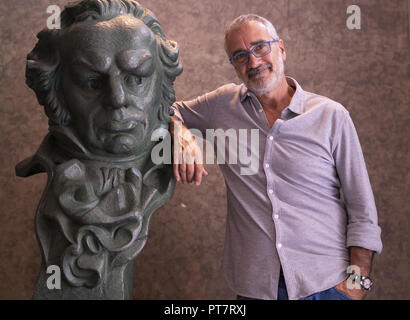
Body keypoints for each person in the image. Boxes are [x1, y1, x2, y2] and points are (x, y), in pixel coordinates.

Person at [170, 14, 382, 300]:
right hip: (257, 290)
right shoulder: (222, 105)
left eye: (260, 48)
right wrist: (181, 135)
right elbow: (167, 110)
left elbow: (362, 209)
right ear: (233, 65)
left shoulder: (331, 116)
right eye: (240, 56)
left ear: (281, 49)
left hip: (327, 286)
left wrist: (355, 286)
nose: (254, 62)